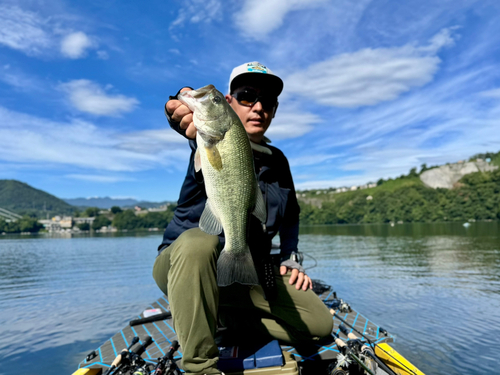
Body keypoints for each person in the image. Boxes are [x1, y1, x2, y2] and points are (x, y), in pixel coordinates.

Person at [153, 62, 333, 375]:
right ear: (229, 100)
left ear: (274, 111)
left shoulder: (278, 162)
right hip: (182, 266)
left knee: (319, 324)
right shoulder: (211, 136)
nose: (259, 107)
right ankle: (199, 366)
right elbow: (184, 113)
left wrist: (290, 258)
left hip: (245, 268)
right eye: (248, 96)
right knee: (200, 242)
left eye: (268, 102)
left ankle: (222, 317)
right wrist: (181, 103)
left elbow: (291, 217)